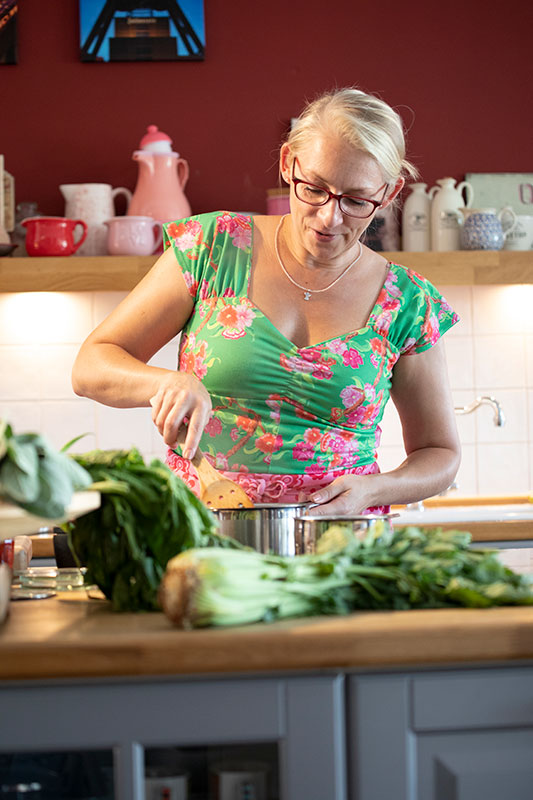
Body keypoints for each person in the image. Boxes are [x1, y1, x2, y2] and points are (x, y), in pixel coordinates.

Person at [72, 87, 461, 515]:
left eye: (355, 200)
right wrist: (163, 382)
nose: (330, 218)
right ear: (287, 163)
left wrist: (376, 490)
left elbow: (439, 452)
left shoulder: (407, 302)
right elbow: (91, 365)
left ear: (389, 193)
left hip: (341, 551)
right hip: (206, 537)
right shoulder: (214, 248)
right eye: (314, 188)